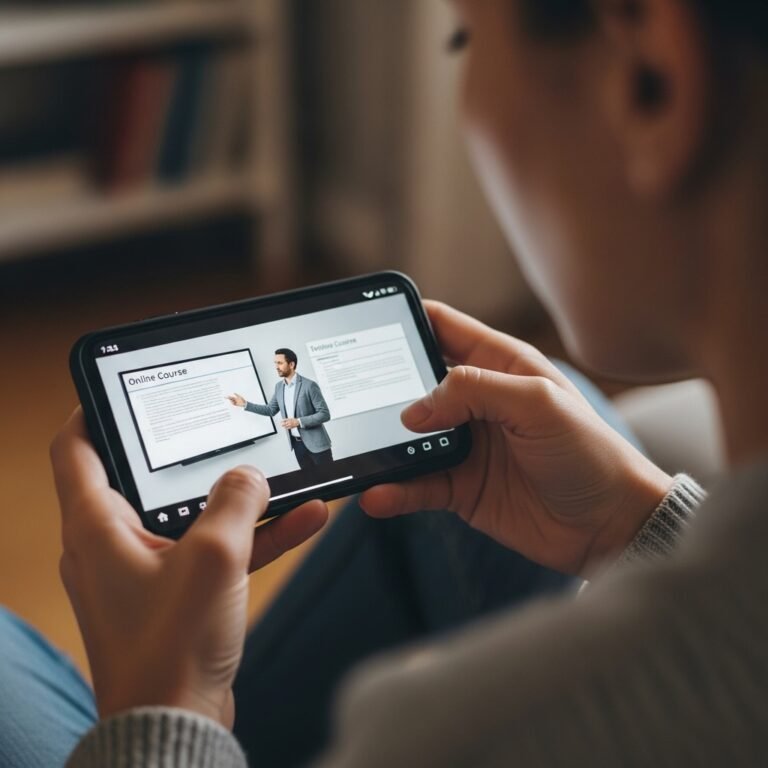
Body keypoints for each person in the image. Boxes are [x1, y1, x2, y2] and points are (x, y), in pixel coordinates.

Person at [17, 0, 768, 764]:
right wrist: (637, 527)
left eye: (465, 38)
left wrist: (161, 712)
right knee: (501, 428)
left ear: (653, 82)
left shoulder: (456, 737)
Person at [228, 348, 333, 470]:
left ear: (292, 364)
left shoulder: (309, 385)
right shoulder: (279, 387)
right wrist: (245, 404)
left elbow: (324, 414)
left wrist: (298, 422)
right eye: (275, 363)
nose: (276, 367)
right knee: (310, 482)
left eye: (280, 363)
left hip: (317, 445)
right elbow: (270, 410)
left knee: (330, 479)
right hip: (297, 445)